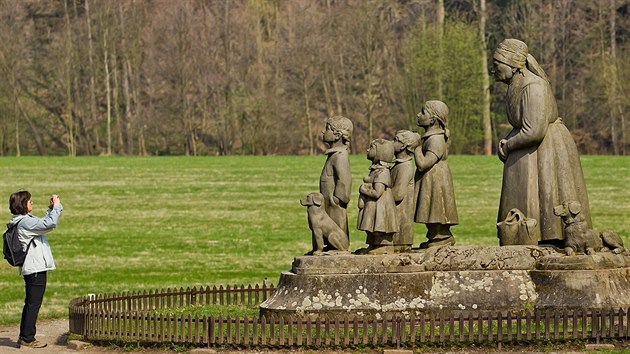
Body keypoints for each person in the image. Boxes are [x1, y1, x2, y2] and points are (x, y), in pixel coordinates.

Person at [492, 39, 591, 244]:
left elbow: (534, 130)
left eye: (496, 64)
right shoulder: (516, 85)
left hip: (546, 148)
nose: (493, 70)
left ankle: (550, 238)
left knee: (547, 194)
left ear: (512, 64)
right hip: (527, 150)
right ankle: (522, 238)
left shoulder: (533, 86)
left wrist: (509, 144)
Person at [8, 191, 63, 349]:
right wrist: (57, 207)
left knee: (31, 303)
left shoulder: (23, 221)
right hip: (35, 269)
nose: (32, 203)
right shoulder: (25, 222)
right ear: (22, 204)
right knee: (33, 304)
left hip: (32, 268)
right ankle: (28, 338)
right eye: (29, 201)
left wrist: (51, 209)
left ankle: (25, 336)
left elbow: (43, 223)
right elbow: (49, 224)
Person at [414, 100, 458, 248]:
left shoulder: (436, 139)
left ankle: (443, 236)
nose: (418, 115)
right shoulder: (431, 137)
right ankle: (435, 236)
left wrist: (416, 149)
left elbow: (424, 164)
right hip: (431, 179)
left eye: (423, 112)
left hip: (437, 180)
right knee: (431, 209)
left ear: (433, 120)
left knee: (437, 208)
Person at [357, 139, 398, 254]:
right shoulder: (376, 170)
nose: (367, 150)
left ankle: (384, 246)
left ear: (380, 153)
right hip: (374, 206)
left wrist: (363, 190)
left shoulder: (382, 172)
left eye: (371, 148)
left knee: (380, 225)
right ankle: (374, 244)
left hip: (381, 206)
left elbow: (377, 193)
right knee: (372, 226)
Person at [320, 116, 353, 247]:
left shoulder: (340, 156)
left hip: (335, 203)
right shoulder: (334, 155)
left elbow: (344, 179)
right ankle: (330, 245)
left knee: (337, 224)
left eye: (327, 129)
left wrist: (338, 198)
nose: (323, 132)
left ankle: (340, 246)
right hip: (328, 201)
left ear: (337, 135)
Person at [391, 130, 421, 252]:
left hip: (401, 221)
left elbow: (398, 194)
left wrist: (381, 194)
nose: (392, 143)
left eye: (395, 140)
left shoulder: (405, 167)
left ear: (403, 146)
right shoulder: (398, 165)